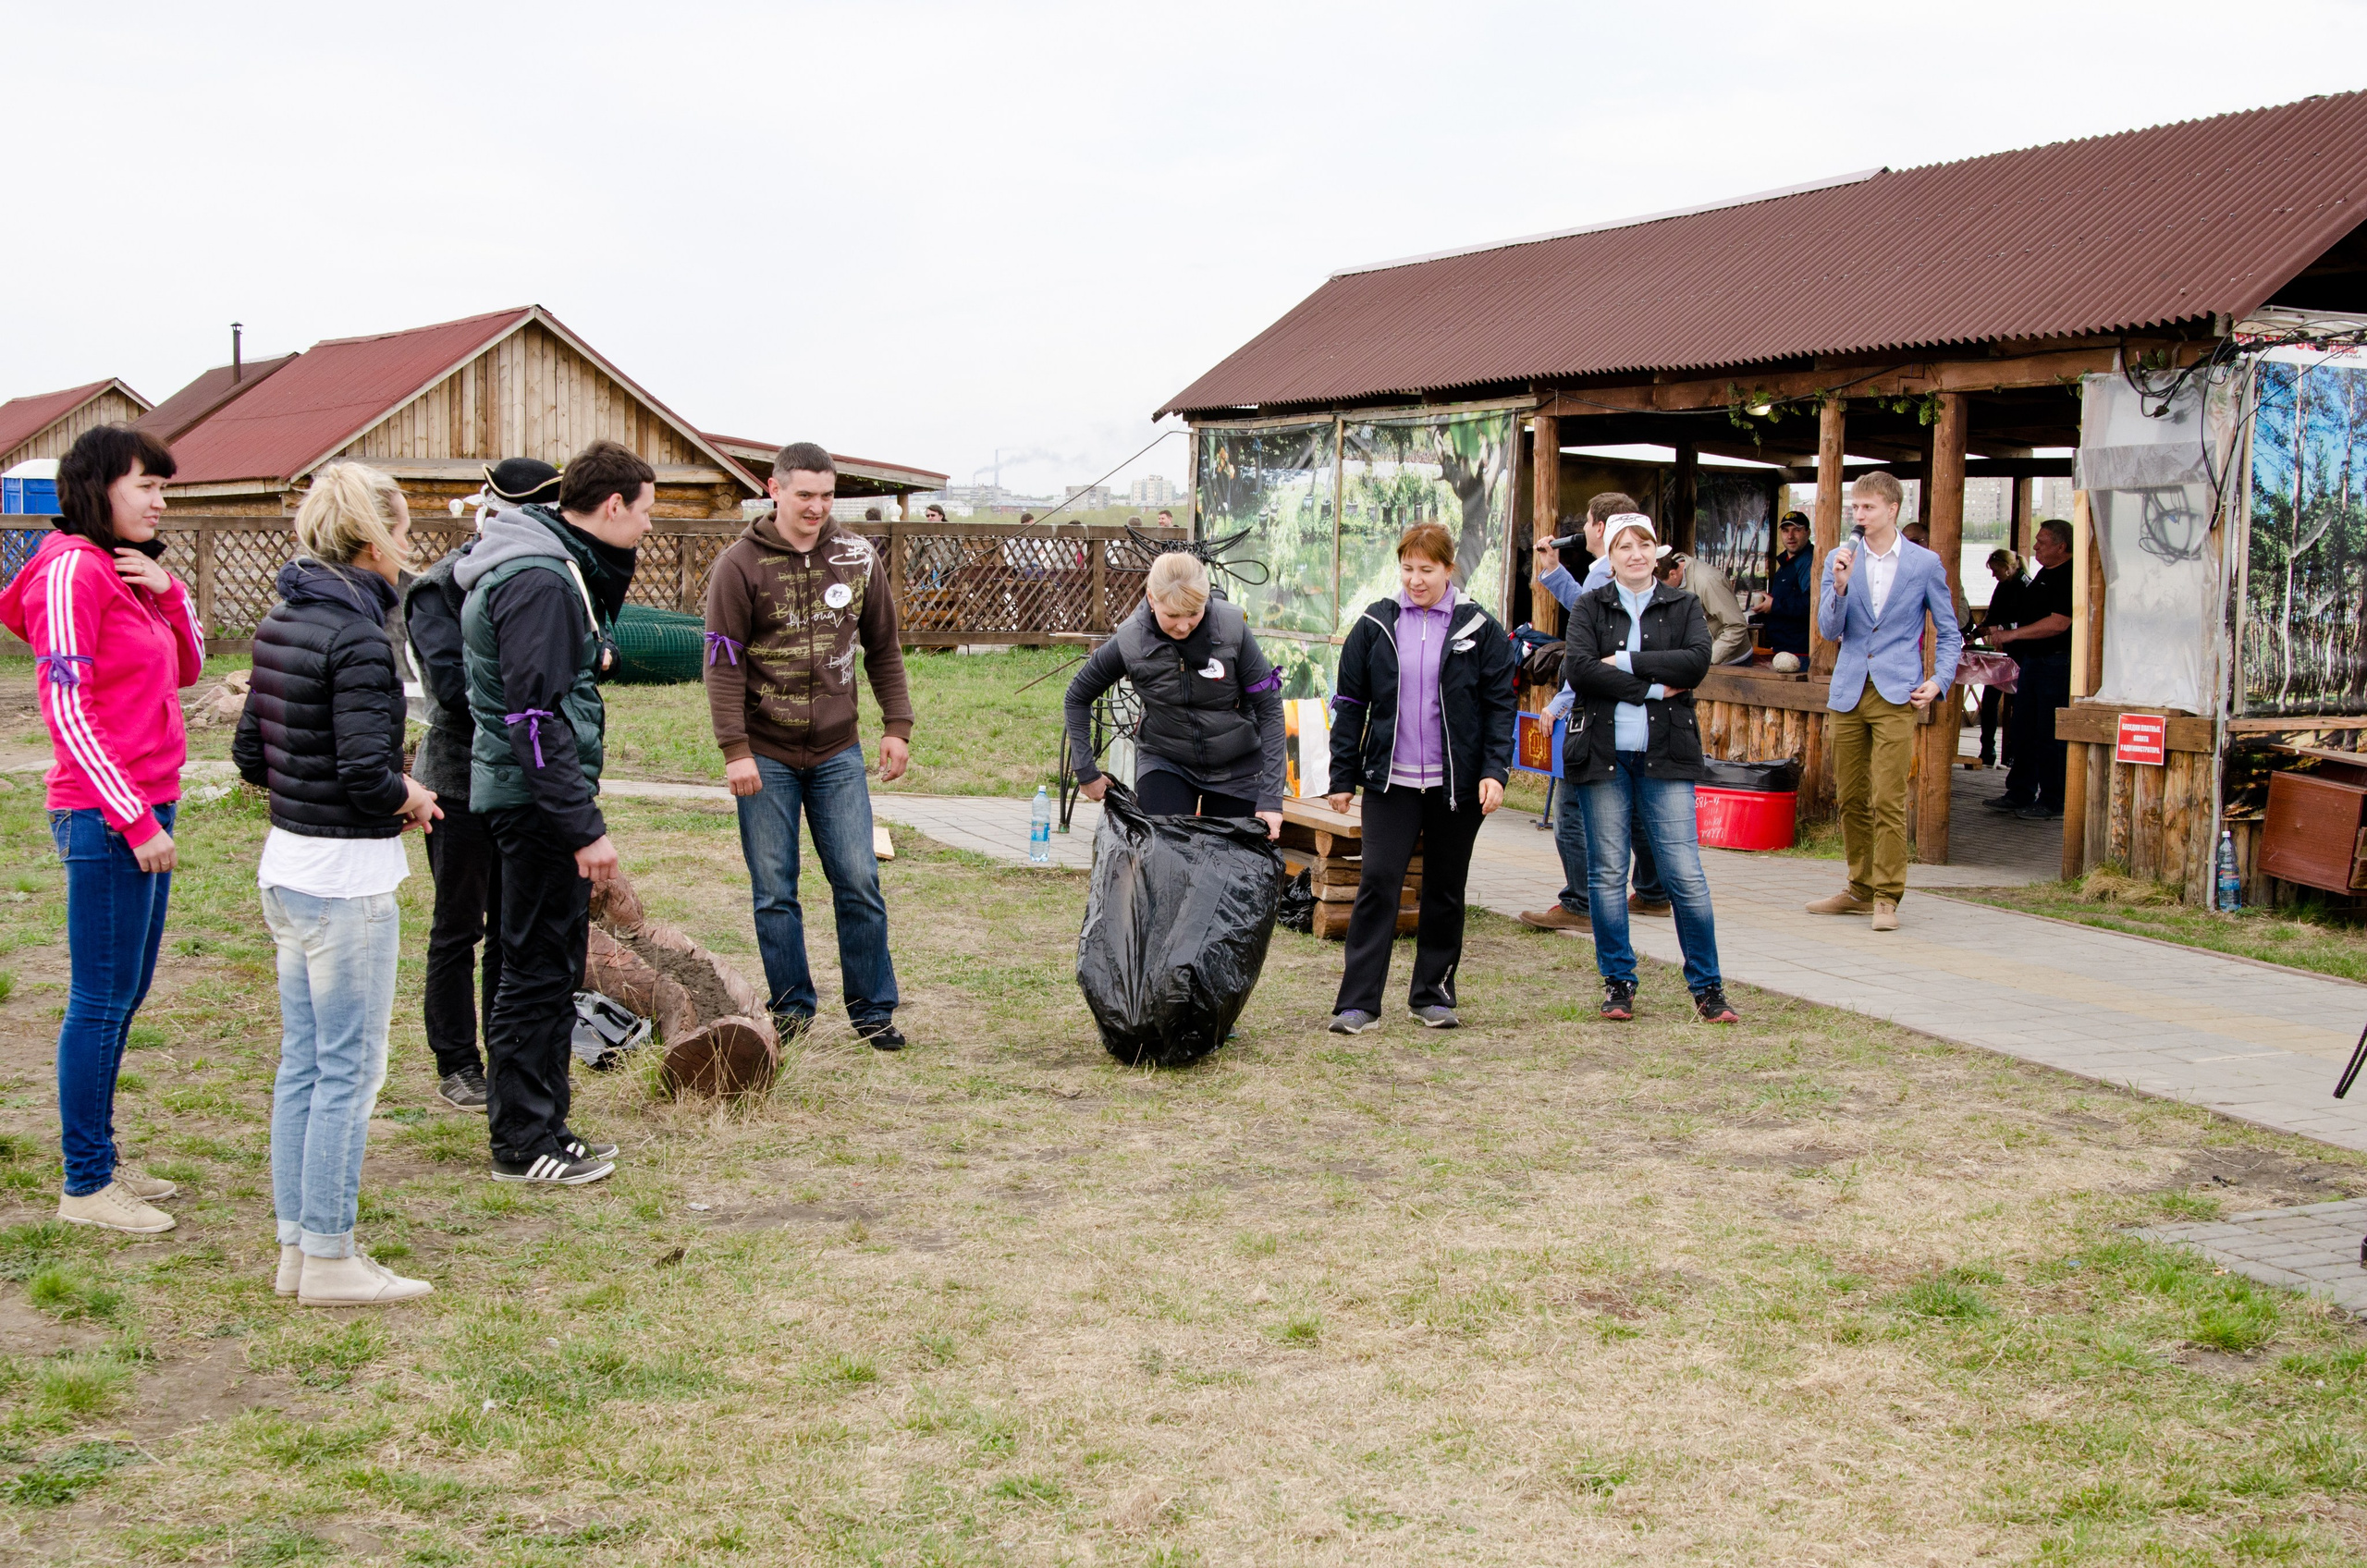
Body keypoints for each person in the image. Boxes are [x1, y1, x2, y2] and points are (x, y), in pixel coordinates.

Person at [236, 462, 440, 1305]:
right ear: (370, 537)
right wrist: (411, 794)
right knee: (350, 1072)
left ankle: (299, 1249)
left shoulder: (285, 616)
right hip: (344, 883)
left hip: (288, 869)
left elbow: (251, 754)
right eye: (401, 531)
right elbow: (365, 770)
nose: (407, 548)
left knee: (307, 1066)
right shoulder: (359, 634)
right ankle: (328, 1255)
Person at [0, 425, 202, 1234]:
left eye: (164, 487)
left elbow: (186, 670)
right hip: (104, 814)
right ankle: (85, 1184)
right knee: (98, 1000)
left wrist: (169, 591)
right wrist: (130, 817)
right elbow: (66, 709)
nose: (160, 501)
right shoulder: (68, 572)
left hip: (148, 804)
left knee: (124, 997)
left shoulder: (124, 574)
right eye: (146, 485)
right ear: (96, 489)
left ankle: (103, 1158)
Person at [455, 438, 652, 1185]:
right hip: (538, 805)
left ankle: (546, 1123)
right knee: (537, 971)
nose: (646, 529)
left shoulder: (537, 560)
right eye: (644, 512)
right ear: (612, 505)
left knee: (533, 964)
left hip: (526, 796)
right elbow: (534, 716)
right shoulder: (538, 578)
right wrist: (582, 828)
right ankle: (524, 1140)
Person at [705, 442, 914, 1051]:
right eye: (805, 495)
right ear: (775, 490)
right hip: (764, 752)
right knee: (775, 888)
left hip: (837, 752)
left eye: (826, 496)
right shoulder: (739, 567)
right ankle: (792, 1009)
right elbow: (722, 664)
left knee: (858, 879)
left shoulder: (856, 557)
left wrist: (896, 725)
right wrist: (734, 748)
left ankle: (873, 1010)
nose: (818, 506)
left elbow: (884, 649)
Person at [403, 459, 562, 1113]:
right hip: (459, 780)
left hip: (523, 779)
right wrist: (528, 694)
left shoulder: (549, 574)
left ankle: (507, 1050)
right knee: (458, 925)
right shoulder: (438, 587)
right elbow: (452, 688)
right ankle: (456, 1060)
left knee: (512, 929)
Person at [1323, 523, 1516, 1033]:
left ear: (1449, 569)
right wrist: (1342, 776)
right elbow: (1349, 705)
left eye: (1426, 570)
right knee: (1379, 883)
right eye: (1407, 568)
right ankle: (1358, 1003)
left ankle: (1432, 995)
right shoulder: (1374, 624)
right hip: (1391, 783)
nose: (1415, 579)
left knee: (1445, 888)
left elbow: (1501, 707)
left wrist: (1495, 771)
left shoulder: (1480, 629)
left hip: (1458, 787)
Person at [1564, 512, 1737, 1024]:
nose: (1635, 554)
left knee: (1685, 873)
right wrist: (1651, 688)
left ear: (1657, 552)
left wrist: (1624, 663)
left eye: (1644, 545)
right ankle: (1618, 981)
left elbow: (1695, 664)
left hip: (1667, 754)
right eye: (1624, 546)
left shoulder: (1683, 603)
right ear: (1609, 555)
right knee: (1609, 871)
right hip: (1604, 752)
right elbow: (1579, 668)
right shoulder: (1589, 605)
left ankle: (1707, 987)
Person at [1805, 472, 1962, 931]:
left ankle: (1887, 898)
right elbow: (1829, 632)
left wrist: (1939, 680)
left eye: (1868, 507)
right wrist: (1838, 586)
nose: (1859, 515)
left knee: (1887, 797)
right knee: (1851, 796)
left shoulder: (1924, 563)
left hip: (1896, 691)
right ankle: (1859, 888)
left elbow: (1950, 631)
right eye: (1855, 507)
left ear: (1892, 509)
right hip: (1848, 689)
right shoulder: (1840, 557)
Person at [1517, 491, 1668, 934]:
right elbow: (1590, 614)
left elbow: (1594, 645)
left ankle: (1582, 901)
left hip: (1594, 707)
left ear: (1602, 528)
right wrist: (1554, 572)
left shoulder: (1608, 570)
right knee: (1640, 805)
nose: (1581, 530)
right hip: (1636, 713)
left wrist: (1563, 700)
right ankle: (1655, 891)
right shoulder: (1621, 576)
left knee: (1571, 809)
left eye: (1586, 522)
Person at [1063, 552, 1284, 836]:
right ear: (1151, 598)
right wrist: (1085, 771)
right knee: (1163, 860)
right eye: (1172, 615)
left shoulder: (1233, 630)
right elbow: (1077, 696)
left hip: (1237, 766)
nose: (1183, 626)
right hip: (1166, 760)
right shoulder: (1130, 640)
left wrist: (1270, 799)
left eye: (1194, 613)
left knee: (1230, 869)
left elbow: (1269, 708)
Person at [1980, 519, 2074, 819]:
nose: (2034, 548)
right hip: (2033, 661)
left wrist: (2012, 634)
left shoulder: (2069, 575)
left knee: (2049, 732)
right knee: (2023, 727)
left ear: (2062, 545)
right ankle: (2020, 791)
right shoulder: (2044, 574)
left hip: (2056, 661)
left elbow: (2060, 622)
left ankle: (2051, 799)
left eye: (2042, 542)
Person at [1971, 549, 2026, 768]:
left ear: (2008, 567)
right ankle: (1988, 749)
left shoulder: (2025, 587)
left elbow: (2018, 619)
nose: (1994, 576)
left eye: (1995, 571)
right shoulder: (2003, 585)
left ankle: (2014, 752)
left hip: (2022, 652)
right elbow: (1992, 616)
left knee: (2019, 705)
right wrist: (1974, 635)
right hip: (2003, 651)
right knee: (1990, 700)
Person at [1670, 550, 1754, 665]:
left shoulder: (1708, 582)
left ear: (1672, 574)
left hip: (1729, 660)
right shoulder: (1665, 578)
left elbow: (1737, 625)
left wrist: (1706, 659)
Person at [1754, 511, 1813, 659]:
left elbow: (1811, 604)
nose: (1790, 536)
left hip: (1800, 652)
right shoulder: (1786, 562)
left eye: (1797, 530)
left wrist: (1774, 605)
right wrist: (1769, 602)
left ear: (1808, 532)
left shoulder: (1809, 562)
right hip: (1783, 648)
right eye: (1785, 530)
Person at [1901, 520, 1976, 636]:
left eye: (1914, 542)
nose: (1908, 547)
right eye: (1903, 542)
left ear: (1928, 542)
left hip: (1935, 641)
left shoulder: (1941, 573)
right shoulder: (1894, 571)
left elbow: (1959, 619)